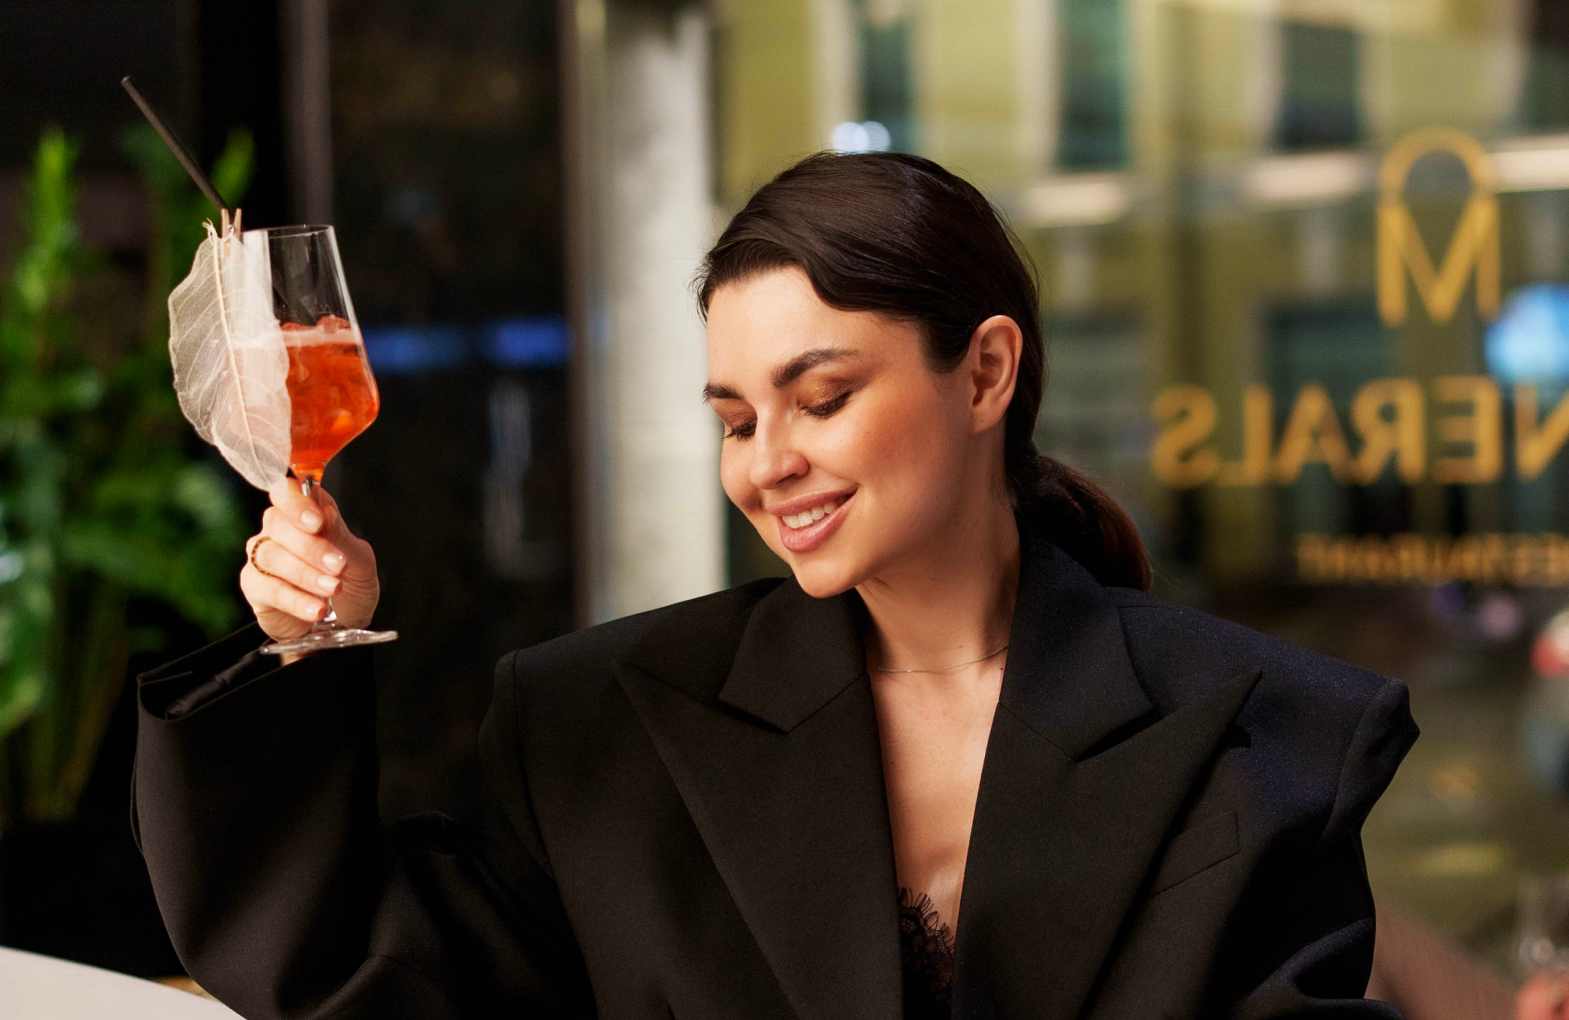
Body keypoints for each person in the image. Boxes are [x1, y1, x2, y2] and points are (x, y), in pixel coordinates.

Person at [134, 152, 1418, 1019]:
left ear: (985, 373)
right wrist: (302, 645)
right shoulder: (603, 722)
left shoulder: (1260, 736)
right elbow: (362, 979)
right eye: (737, 420)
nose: (769, 463)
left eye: (824, 397)